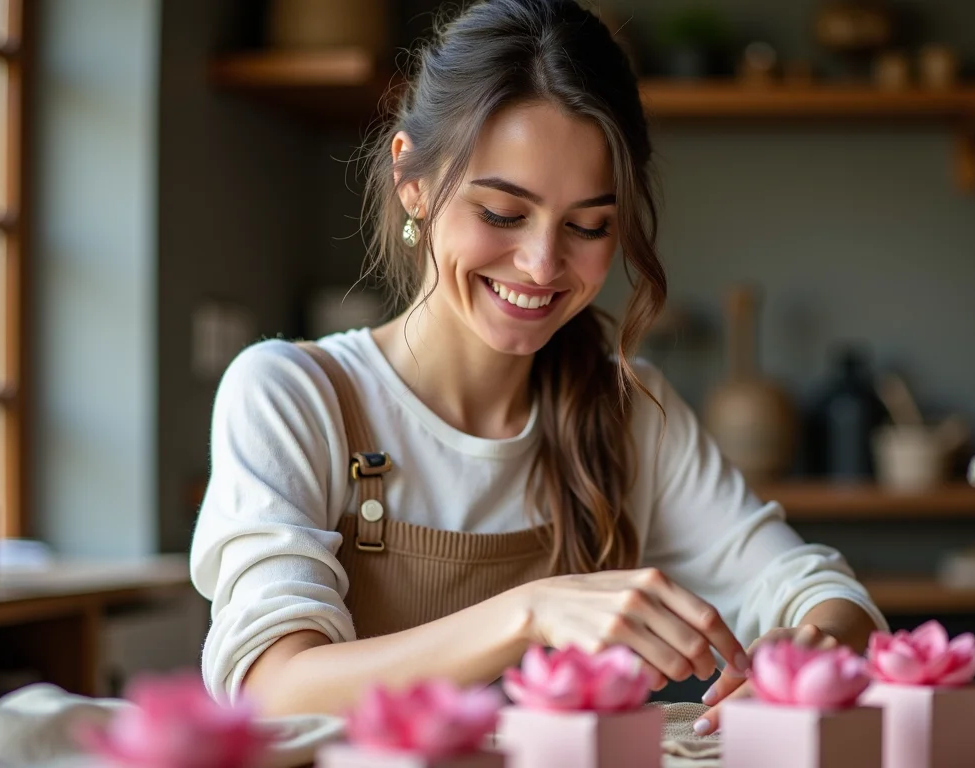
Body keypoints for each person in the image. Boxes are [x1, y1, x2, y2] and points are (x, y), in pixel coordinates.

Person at [190, 0, 887, 735]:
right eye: (501, 213)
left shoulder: (628, 408)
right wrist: (531, 611)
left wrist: (808, 649)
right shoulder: (291, 395)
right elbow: (268, 689)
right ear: (413, 183)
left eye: (588, 226)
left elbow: (822, 593)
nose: (543, 264)